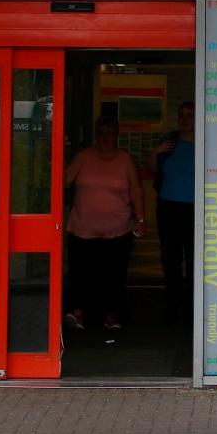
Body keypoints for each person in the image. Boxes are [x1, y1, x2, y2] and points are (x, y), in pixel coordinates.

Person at [64, 115, 145, 330]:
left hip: (118, 230)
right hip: (82, 228)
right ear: (95, 135)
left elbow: (136, 189)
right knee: (81, 274)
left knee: (114, 275)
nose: (105, 137)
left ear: (117, 135)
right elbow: (64, 180)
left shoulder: (125, 160)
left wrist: (141, 219)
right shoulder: (83, 157)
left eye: (109, 132)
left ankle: (112, 316)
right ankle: (78, 313)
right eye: (100, 132)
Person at [147, 101, 195, 324]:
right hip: (168, 206)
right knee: (170, 256)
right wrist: (155, 152)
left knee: (195, 257)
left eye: (190, 115)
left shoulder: (206, 141)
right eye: (182, 115)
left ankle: (194, 303)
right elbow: (152, 169)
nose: (185, 120)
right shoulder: (170, 141)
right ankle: (173, 303)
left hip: (196, 208)